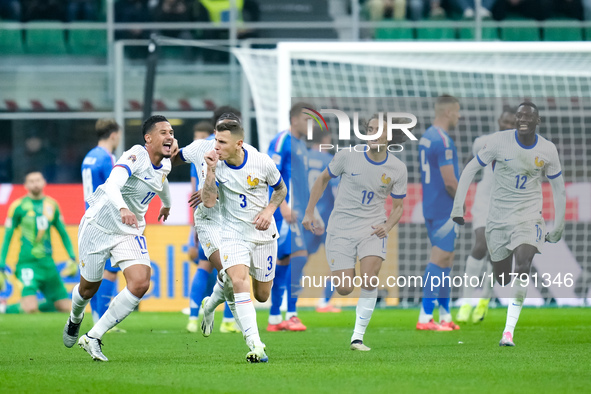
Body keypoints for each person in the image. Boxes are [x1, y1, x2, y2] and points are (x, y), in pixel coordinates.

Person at [451, 102, 566, 346]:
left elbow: (559, 190)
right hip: (497, 215)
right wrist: (458, 206)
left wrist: (558, 226)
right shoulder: (494, 141)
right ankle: (477, 296)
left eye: (528, 116)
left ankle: (508, 332)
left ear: (538, 121)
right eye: (518, 115)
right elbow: (471, 168)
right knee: (501, 275)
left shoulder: (547, 149)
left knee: (523, 264)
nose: (521, 119)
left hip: (529, 216)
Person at [62, 115, 174, 361]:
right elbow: (112, 184)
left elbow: (162, 182)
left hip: (128, 231)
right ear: (149, 138)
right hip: (98, 226)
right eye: (164, 132)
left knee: (140, 282)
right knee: (88, 288)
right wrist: (124, 208)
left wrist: (166, 204)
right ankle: (75, 317)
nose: (170, 136)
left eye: (172, 132)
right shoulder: (136, 154)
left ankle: (93, 336)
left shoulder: (165, 163)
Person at [303, 114, 407, 351]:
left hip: (372, 228)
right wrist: (309, 212)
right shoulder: (348, 156)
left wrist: (387, 226)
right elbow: (321, 180)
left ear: (389, 136)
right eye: (369, 129)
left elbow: (399, 206)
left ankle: (357, 338)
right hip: (340, 227)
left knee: (370, 277)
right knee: (344, 288)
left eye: (378, 130)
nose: (372, 134)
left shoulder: (398, 168)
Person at [200, 116, 287, 362]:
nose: (216, 147)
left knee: (262, 295)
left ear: (239, 143)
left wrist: (269, 211)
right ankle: (255, 344)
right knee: (239, 281)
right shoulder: (214, 163)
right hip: (232, 233)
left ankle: (211, 302)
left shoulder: (261, 162)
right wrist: (211, 171)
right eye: (216, 140)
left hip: (262, 235)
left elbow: (281, 189)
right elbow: (208, 201)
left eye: (223, 142)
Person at [456, 106, 516, 324]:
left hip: (507, 206)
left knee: (495, 254)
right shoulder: (483, 142)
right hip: (484, 201)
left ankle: (484, 300)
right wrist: (460, 196)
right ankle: (465, 301)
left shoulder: (523, 148)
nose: (508, 126)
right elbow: (468, 167)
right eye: (505, 121)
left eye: (512, 123)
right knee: (480, 245)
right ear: (499, 120)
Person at [185, 119, 238, 334]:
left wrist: (192, 230)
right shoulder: (229, 150)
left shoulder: (200, 149)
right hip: (216, 219)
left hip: (212, 219)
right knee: (230, 271)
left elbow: (193, 190)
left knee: (208, 268)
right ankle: (227, 320)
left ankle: (193, 316)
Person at [0, 171, 78, 314]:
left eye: (38, 180)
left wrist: (72, 257)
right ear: (25, 185)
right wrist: (1, 265)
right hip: (27, 264)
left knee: (66, 307)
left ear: (44, 182)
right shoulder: (18, 206)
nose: (35, 183)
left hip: (48, 265)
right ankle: (4, 308)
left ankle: (38, 305)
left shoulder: (52, 204)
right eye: (31, 181)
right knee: (30, 308)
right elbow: (7, 237)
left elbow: (63, 234)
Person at [417, 95, 462, 331]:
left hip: (431, 206)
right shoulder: (443, 141)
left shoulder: (426, 137)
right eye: (457, 111)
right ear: (447, 112)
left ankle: (444, 315)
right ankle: (425, 317)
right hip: (444, 207)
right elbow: (450, 182)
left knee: (446, 260)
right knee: (439, 259)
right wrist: (461, 203)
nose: (459, 116)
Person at [266, 102, 312, 332]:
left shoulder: (301, 145)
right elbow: (270, 174)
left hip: (297, 212)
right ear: (295, 119)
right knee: (299, 257)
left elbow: (302, 182)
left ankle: (275, 318)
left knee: (283, 261)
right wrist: (282, 205)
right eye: (306, 119)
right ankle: (291, 314)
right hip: (283, 212)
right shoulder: (281, 140)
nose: (310, 124)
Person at [82, 119, 124, 328]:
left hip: (89, 215)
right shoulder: (107, 158)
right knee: (109, 271)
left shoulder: (89, 156)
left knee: (95, 272)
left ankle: (97, 317)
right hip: (105, 218)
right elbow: (114, 188)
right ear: (114, 134)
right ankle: (103, 320)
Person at [306, 130, 341, 313]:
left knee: (297, 259)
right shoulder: (329, 160)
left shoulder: (302, 157)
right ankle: (324, 301)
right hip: (327, 219)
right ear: (326, 139)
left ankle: (287, 301)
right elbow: (336, 190)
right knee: (338, 261)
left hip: (306, 217)